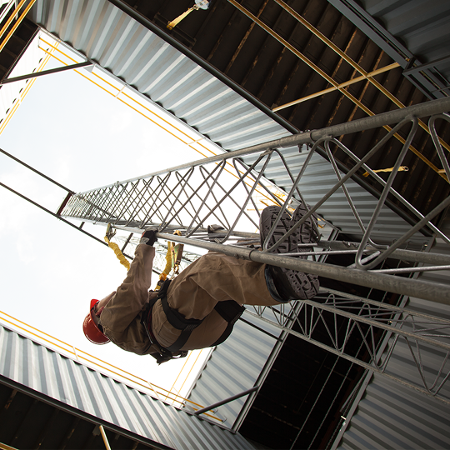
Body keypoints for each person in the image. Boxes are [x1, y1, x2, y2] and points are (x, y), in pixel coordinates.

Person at [83, 205, 320, 363]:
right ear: (98, 314)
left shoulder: (128, 335)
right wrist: (145, 245)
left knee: (228, 259)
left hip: (202, 331)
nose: (104, 300)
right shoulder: (110, 322)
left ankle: (291, 244)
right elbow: (133, 288)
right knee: (203, 272)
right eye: (98, 305)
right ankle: (278, 280)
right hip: (167, 326)